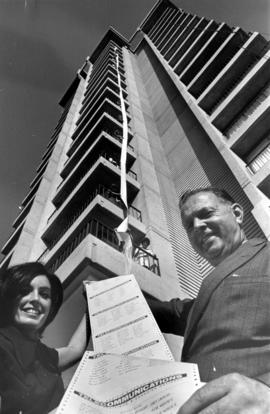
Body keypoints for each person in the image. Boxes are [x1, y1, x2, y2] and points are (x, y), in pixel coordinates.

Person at [148, 187, 270, 414]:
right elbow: (164, 311)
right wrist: (103, 295)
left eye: (206, 214)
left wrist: (266, 391)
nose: (197, 226)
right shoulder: (201, 304)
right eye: (188, 224)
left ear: (237, 214)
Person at [0, 262, 89, 414]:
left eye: (44, 295)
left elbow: (75, 349)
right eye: (25, 291)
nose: (36, 299)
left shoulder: (44, 355)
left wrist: (93, 302)